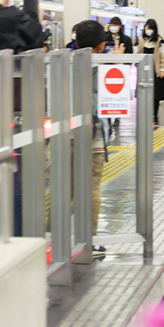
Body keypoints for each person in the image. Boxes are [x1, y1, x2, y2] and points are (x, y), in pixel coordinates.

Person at [72, 20, 121, 258]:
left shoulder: (65, 62)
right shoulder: (104, 65)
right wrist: (118, 62)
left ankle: (53, 240)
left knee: (62, 188)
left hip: (64, 135)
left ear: (76, 41)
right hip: (93, 137)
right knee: (91, 187)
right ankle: (87, 243)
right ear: (101, 45)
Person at [138, 19, 164, 127]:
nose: (149, 30)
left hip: (155, 71)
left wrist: (162, 69)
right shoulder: (140, 40)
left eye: (151, 28)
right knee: (144, 94)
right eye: (148, 28)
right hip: (144, 71)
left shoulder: (160, 41)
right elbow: (137, 53)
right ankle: (146, 114)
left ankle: (154, 116)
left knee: (155, 96)